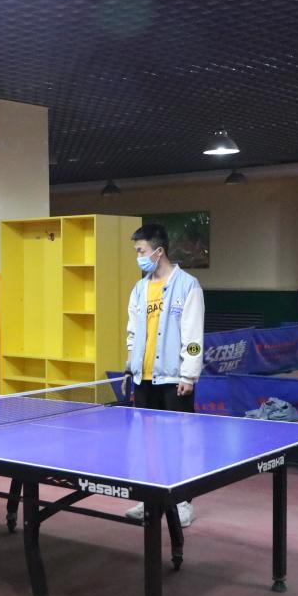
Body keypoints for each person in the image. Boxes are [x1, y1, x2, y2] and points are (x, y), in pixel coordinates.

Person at [123, 223, 204, 527]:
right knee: (147, 442)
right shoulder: (140, 288)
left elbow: (193, 336)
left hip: (174, 379)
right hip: (144, 379)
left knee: (179, 442)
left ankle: (182, 503)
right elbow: (133, 331)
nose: (139, 257)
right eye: (137, 252)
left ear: (158, 251)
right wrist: (131, 363)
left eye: (141, 251)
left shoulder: (188, 285)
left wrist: (189, 374)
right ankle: (150, 499)